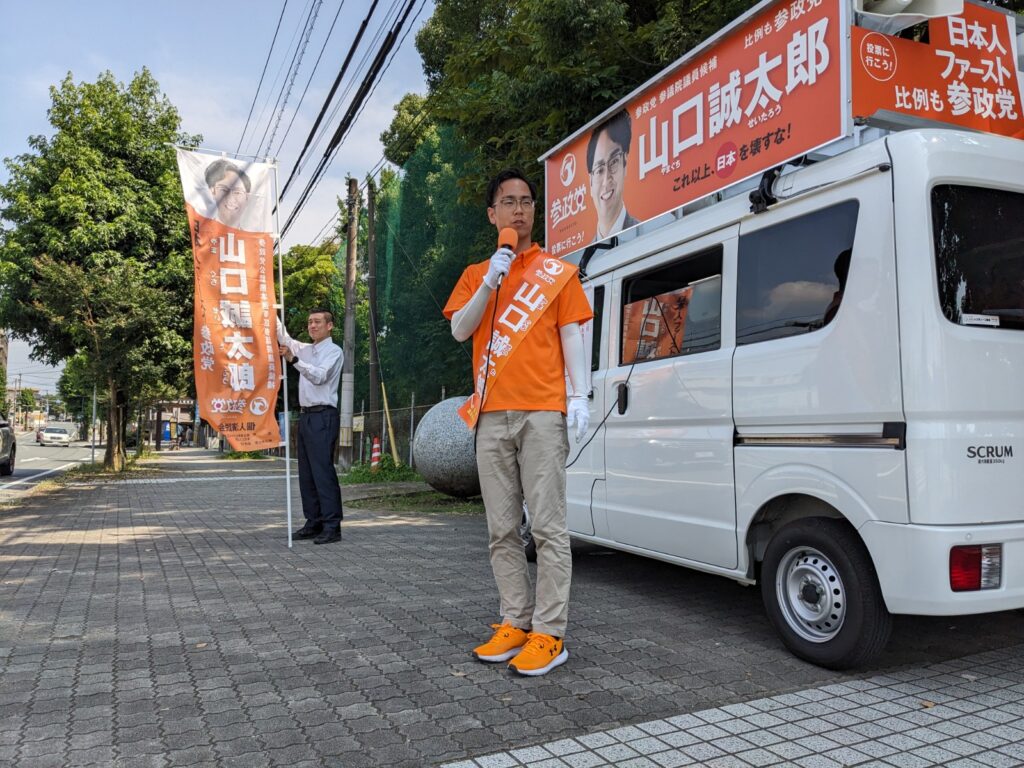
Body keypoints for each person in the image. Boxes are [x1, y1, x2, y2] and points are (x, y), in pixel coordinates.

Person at [443, 169, 593, 676]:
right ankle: (514, 621)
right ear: (492, 215)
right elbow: (460, 331)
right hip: (490, 415)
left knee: (548, 527)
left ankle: (551, 634)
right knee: (502, 529)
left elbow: (572, 336)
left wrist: (579, 395)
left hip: (542, 412)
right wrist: (491, 279)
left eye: (527, 201)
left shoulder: (557, 272)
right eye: (508, 201)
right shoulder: (476, 273)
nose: (519, 210)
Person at [278, 309, 345, 545]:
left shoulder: (333, 352)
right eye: (309, 322)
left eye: (317, 322)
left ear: (329, 326)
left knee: (322, 471)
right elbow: (283, 337)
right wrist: (267, 306)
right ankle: (313, 521)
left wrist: (294, 361)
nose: (312, 326)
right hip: (306, 416)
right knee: (306, 473)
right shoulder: (306, 348)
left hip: (323, 415)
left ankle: (332, 525)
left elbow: (320, 376)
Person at [587, 109, 638, 241]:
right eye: (599, 169)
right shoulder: (582, 259)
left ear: (625, 162)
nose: (606, 180)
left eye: (614, 162)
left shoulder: (646, 234)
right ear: (590, 181)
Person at [205, 159, 251, 229]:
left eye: (237, 192)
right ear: (213, 191)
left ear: (247, 197)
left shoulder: (253, 238)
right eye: (223, 189)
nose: (230, 198)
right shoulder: (202, 233)